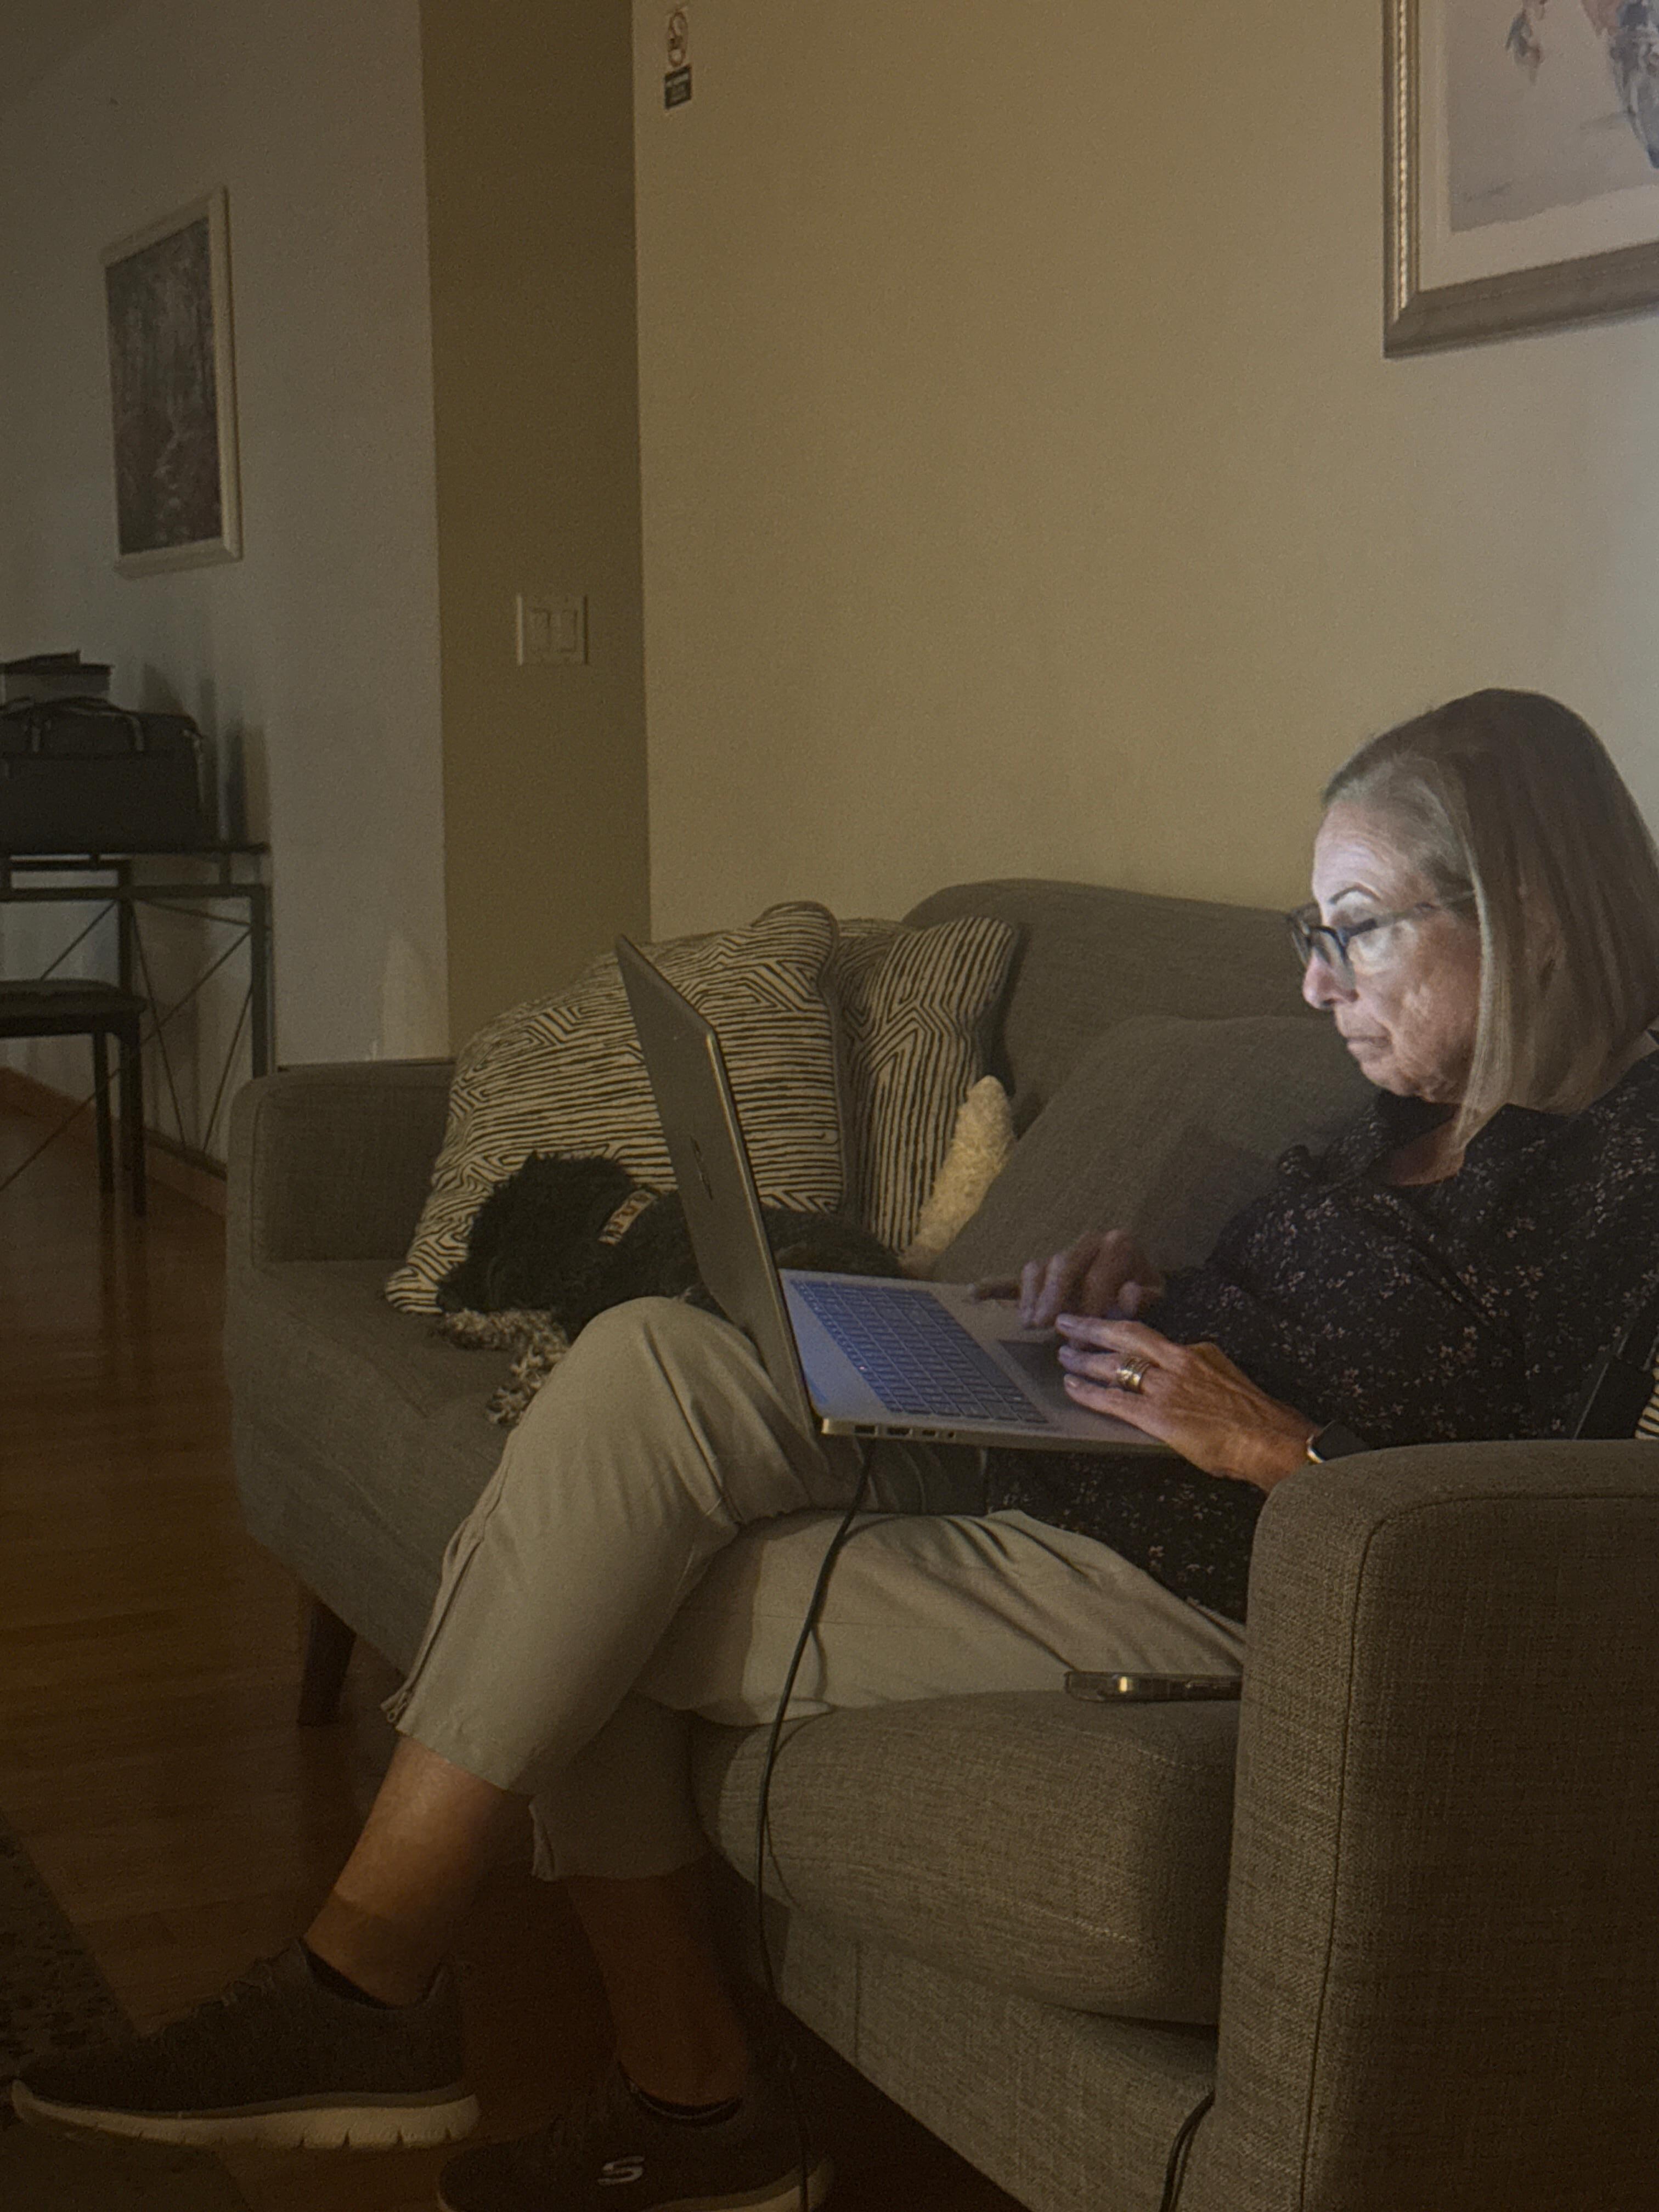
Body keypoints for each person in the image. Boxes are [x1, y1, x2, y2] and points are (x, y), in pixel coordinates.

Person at [15, 690, 1659, 2212]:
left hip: (1202, 1580)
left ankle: (504, 2035)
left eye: (1352, 929)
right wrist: (1133, 1296)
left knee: (591, 1577)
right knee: (648, 1360)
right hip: (1079, 1448)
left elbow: (1546, 1541)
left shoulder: (1621, 1174)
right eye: (1313, 934)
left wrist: (1271, 1442)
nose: (1313, 985)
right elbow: (1313, 1323)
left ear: (1524, 915)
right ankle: (551, 2060)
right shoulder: (1401, 1115)